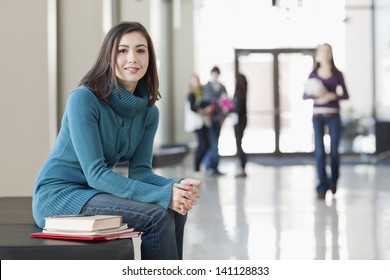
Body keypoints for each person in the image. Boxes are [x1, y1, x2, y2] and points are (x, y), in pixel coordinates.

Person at [32, 21, 201, 260]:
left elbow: (141, 172)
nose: (132, 58)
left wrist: (176, 187)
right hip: (60, 196)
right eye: (123, 50)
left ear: (149, 58)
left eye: (140, 50)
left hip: (95, 193)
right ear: (109, 57)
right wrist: (164, 195)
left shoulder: (149, 112)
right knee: (156, 216)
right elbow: (96, 174)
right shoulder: (84, 99)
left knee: (175, 209)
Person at [303, 43, 349, 200]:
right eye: (322, 51)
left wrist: (332, 96)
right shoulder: (313, 74)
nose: (325, 53)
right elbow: (305, 95)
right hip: (318, 116)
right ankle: (321, 187)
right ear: (318, 55)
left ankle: (333, 182)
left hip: (334, 115)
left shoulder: (338, 74)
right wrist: (317, 95)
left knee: (335, 151)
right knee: (320, 152)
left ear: (331, 54)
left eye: (328, 51)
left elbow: (346, 95)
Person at [202, 66, 229, 176]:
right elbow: (204, 101)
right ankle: (209, 166)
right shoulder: (206, 87)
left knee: (215, 143)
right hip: (208, 119)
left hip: (218, 118)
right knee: (211, 143)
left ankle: (214, 167)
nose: (215, 75)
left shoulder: (222, 87)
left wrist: (224, 117)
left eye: (217, 73)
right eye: (214, 73)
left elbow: (226, 102)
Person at [185, 73, 211, 172]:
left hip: (204, 122)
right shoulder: (191, 94)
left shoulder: (202, 92)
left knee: (206, 144)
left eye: (198, 80)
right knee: (203, 144)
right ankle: (196, 168)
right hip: (196, 123)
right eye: (195, 81)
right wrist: (204, 111)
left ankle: (199, 166)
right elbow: (193, 108)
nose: (197, 83)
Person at [232, 72, 248, 178]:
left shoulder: (239, 95)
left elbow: (237, 109)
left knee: (239, 145)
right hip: (241, 120)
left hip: (239, 121)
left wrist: (229, 108)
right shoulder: (242, 94)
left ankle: (242, 169)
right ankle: (242, 168)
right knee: (239, 144)